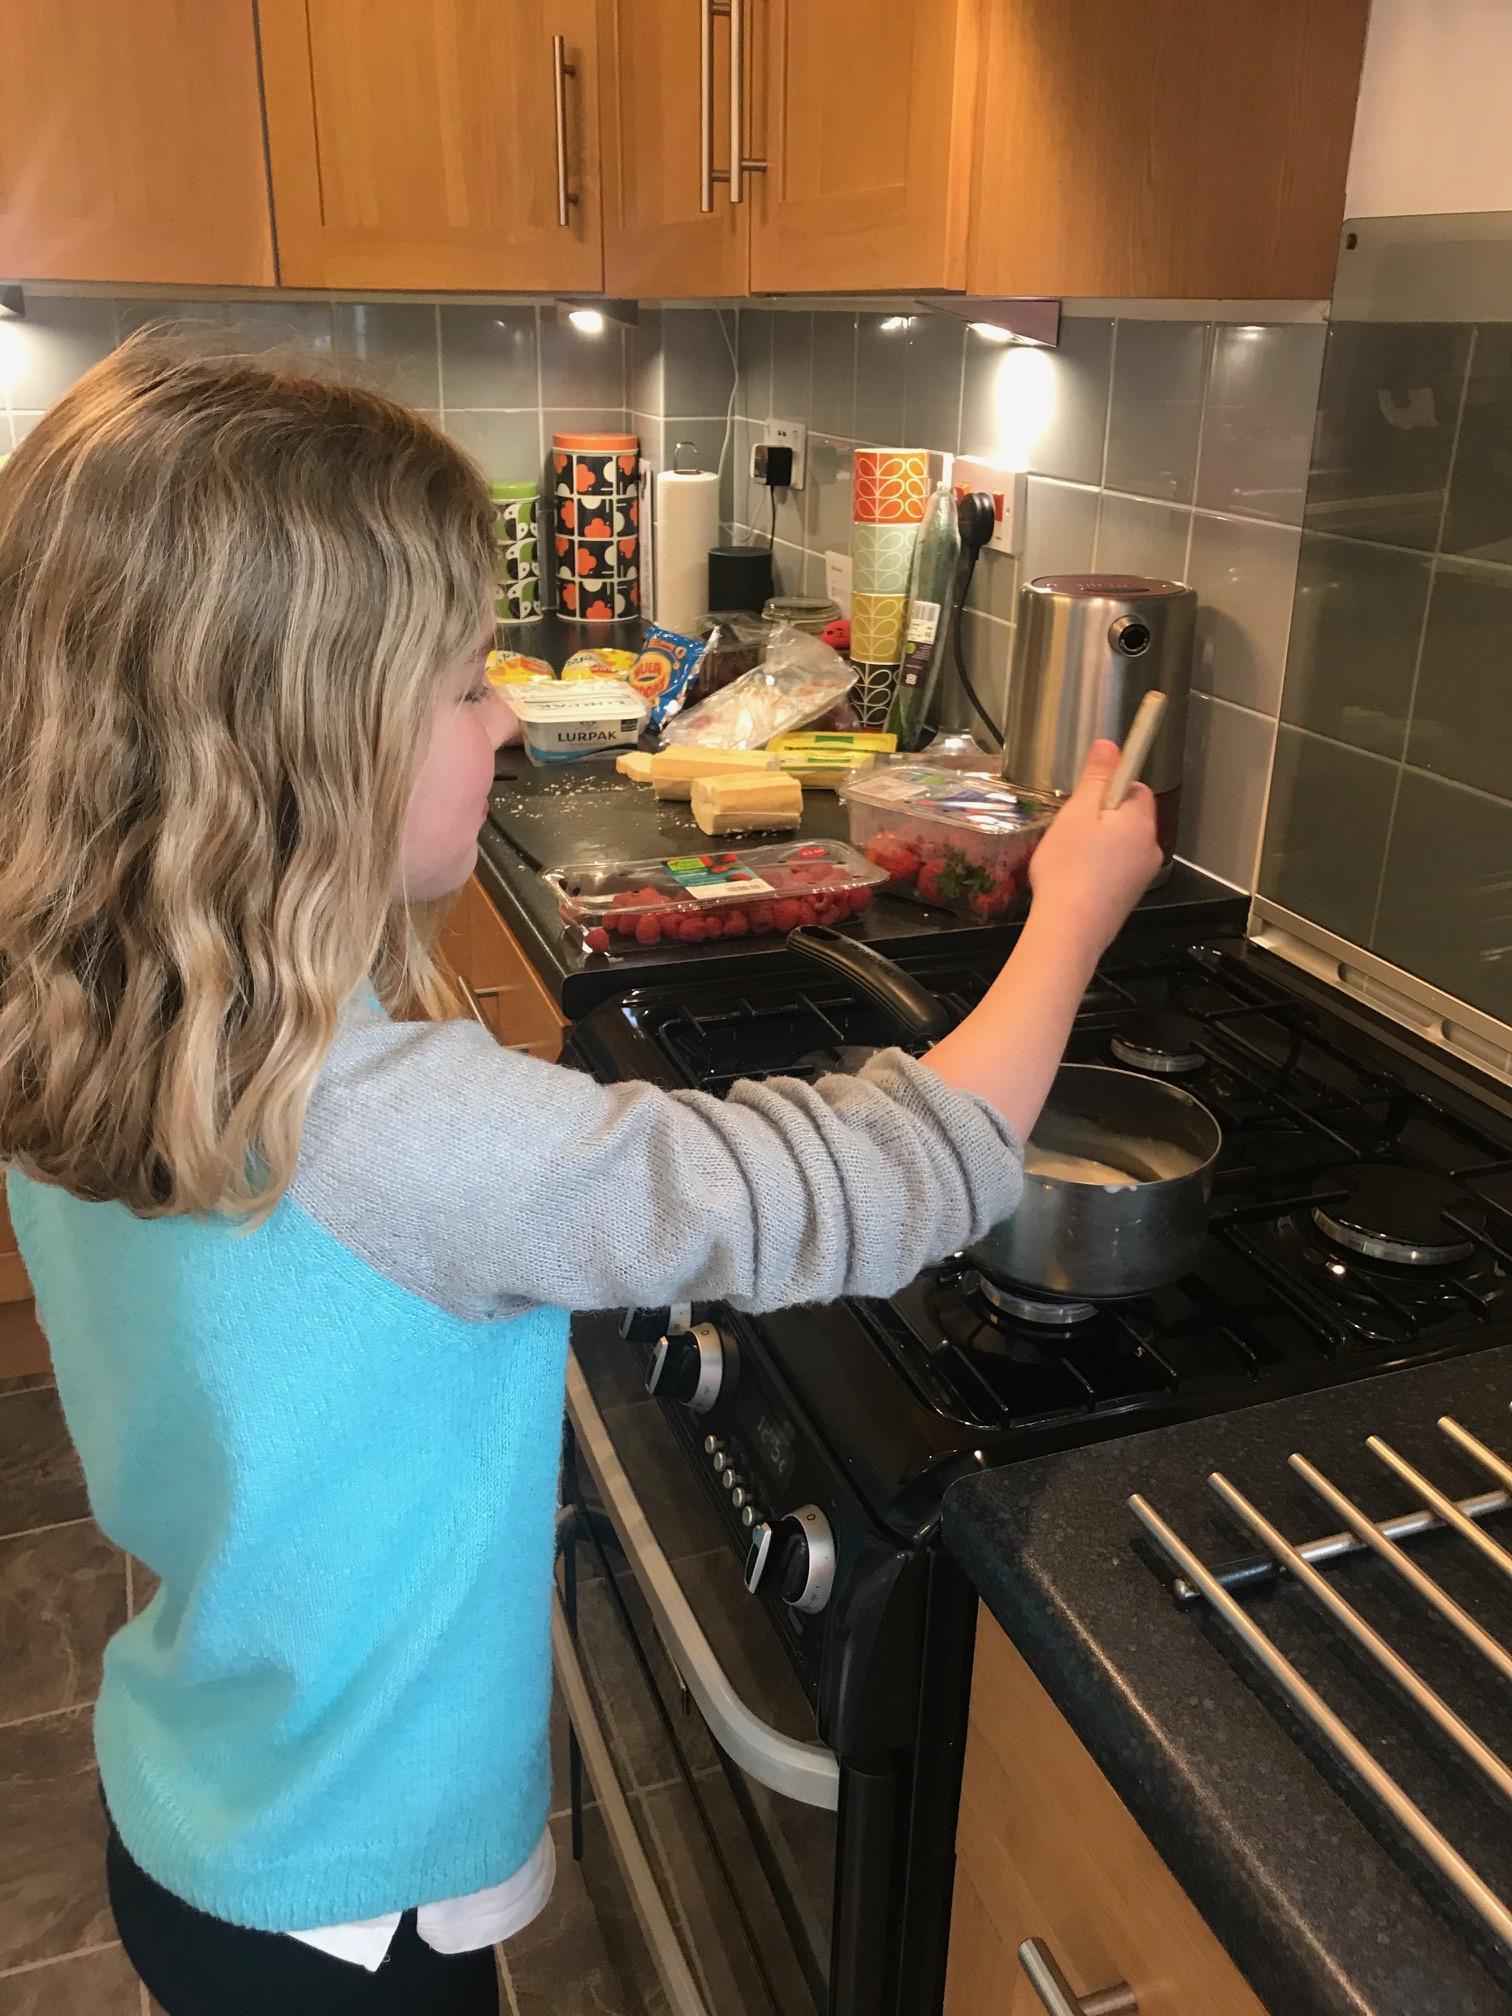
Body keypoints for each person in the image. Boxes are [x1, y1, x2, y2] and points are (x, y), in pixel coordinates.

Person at [0, 337, 1161, 2016]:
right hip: (353, 1921)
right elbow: (882, 1174)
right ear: (307, 745)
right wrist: (1071, 919)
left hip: (200, 1793)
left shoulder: (90, 1009)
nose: (503, 720)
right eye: (468, 686)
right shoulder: (395, 1132)